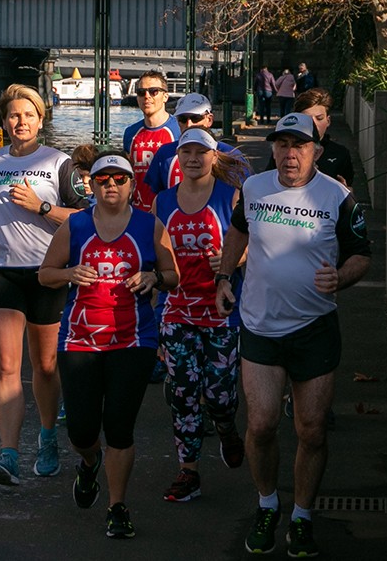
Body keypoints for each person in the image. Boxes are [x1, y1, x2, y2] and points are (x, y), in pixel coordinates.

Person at [213, 113, 372, 557]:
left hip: (314, 329)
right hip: (260, 326)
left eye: (299, 144)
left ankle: (302, 516)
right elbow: (238, 232)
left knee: (312, 430)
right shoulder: (255, 189)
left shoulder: (337, 197)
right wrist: (225, 276)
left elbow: (363, 254)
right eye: (281, 144)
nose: (289, 153)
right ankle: (267, 505)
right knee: (261, 426)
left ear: (316, 151)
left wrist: (341, 277)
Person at [38, 152, 179, 539]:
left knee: (119, 428)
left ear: (132, 185)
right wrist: (68, 272)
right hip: (80, 341)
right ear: (92, 184)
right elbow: (45, 274)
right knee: (82, 431)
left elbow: (173, 275)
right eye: (103, 180)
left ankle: (117, 506)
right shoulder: (76, 226)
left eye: (119, 179)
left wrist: (154, 277)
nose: (111, 185)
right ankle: (89, 462)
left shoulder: (150, 226)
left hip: (133, 341)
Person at [0, 84, 89, 485]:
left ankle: (49, 435)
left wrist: (41, 206)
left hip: (46, 271)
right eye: (14, 116)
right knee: (6, 365)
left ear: (41, 120)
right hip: (1, 269)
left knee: (46, 365)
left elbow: (81, 218)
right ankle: (8, 455)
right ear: (4, 121)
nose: (21, 122)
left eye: (29, 115)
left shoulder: (59, 162)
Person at [151, 128, 248, 504]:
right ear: (178, 157)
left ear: (213, 156)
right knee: (183, 394)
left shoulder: (231, 196)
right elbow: (155, 257)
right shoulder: (162, 202)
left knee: (220, 394)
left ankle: (226, 429)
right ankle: (188, 471)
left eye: (200, 152)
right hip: (176, 311)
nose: (193, 158)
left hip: (221, 311)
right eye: (186, 151)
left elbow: (250, 248)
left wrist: (230, 259)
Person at [144, 93, 252, 198]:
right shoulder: (165, 153)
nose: (189, 124)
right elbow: (154, 194)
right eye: (182, 119)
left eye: (195, 118)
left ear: (209, 119)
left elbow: (244, 196)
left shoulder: (231, 154)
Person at [264, 88, 355, 188]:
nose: (313, 124)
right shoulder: (283, 152)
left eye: (319, 118)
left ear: (328, 121)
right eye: (307, 119)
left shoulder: (340, 153)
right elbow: (268, 182)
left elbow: (348, 189)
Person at [120, 70, 182, 214]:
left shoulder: (179, 130)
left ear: (165, 96)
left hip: (172, 211)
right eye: (141, 92)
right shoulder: (131, 133)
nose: (147, 96)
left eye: (154, 91)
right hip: (139, 211)